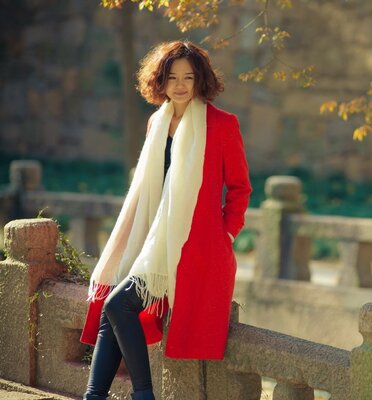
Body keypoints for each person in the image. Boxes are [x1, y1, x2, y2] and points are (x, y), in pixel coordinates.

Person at [79, 40, 252, 400]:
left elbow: (240, 189)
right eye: (172, 77)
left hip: (198, 246)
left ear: (201, 80)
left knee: (117, 305)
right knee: (114, 301)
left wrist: (226, 235)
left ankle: (142, 394)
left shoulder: (221, 125)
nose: (180, 85)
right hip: (153, 238)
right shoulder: (156, 123)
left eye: (189, 77)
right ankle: (94, 396)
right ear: (159, 80)